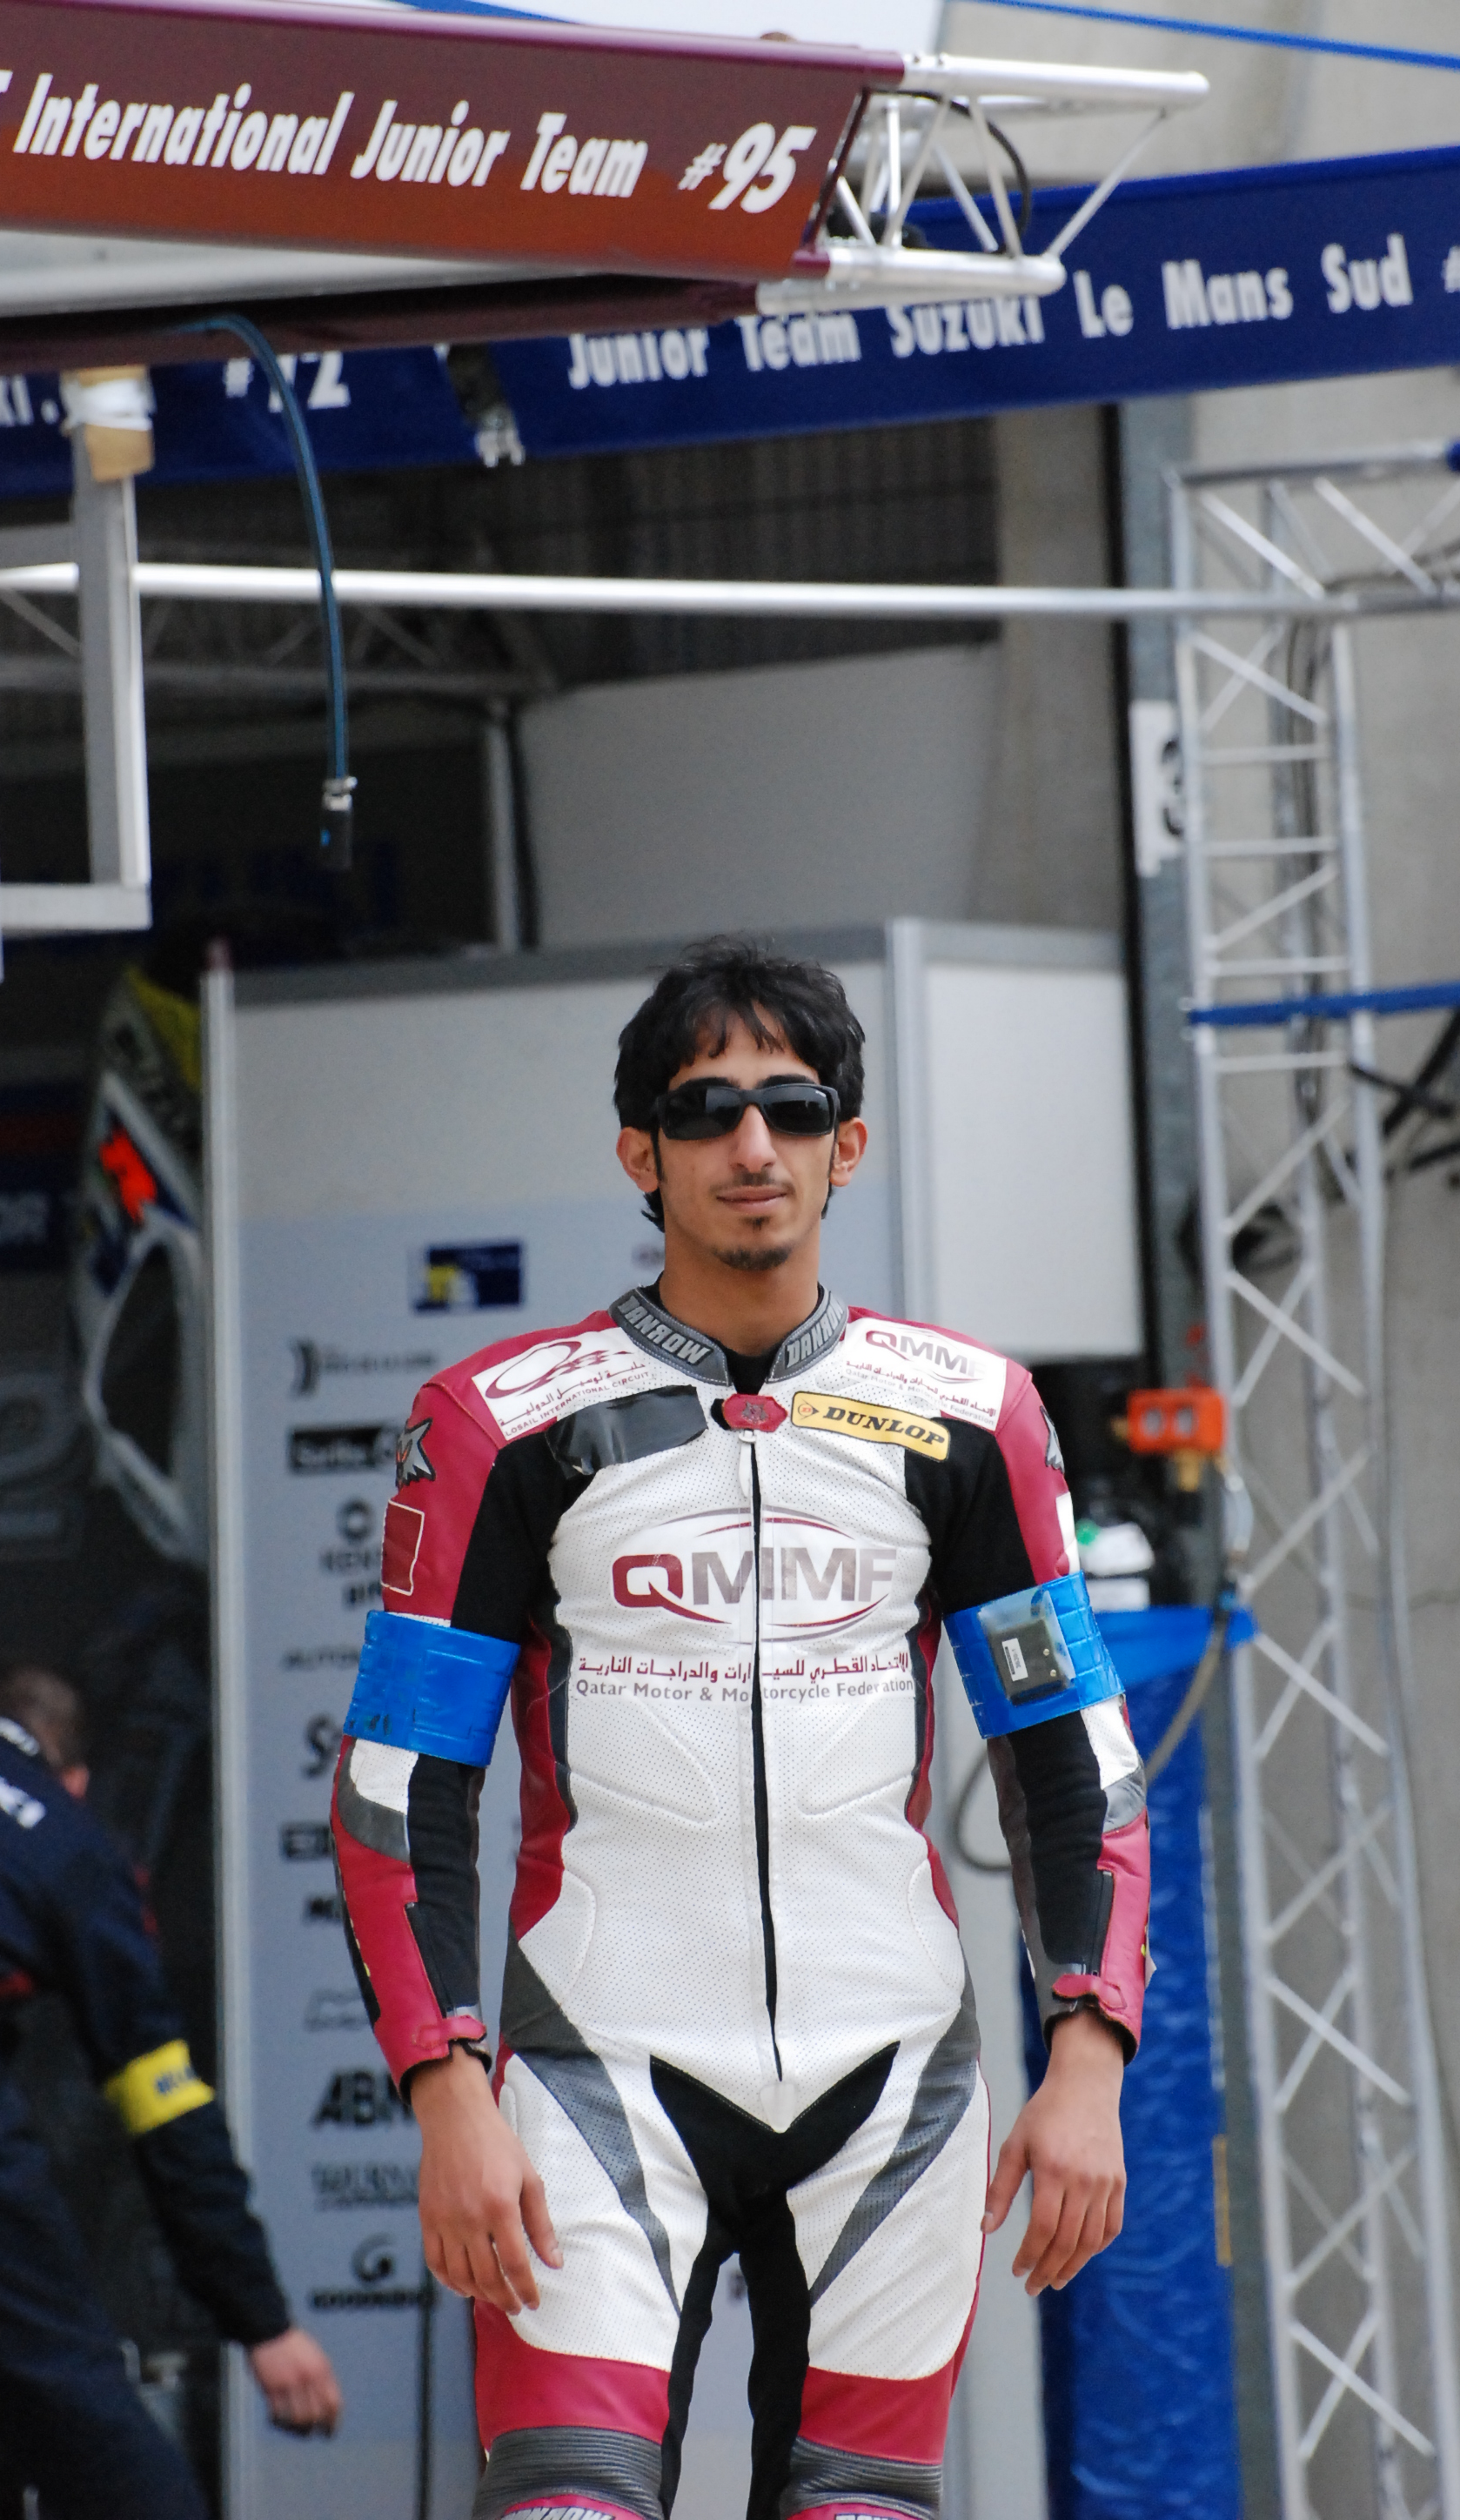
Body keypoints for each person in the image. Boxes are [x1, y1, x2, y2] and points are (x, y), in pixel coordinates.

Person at [332, 938, 1149, 2520]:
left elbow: (1073, 1760)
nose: (750, 1145)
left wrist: (1089, 2057)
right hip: (597, 2069)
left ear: (851, 1143)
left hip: (891, 2072)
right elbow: (397, 1790)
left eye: (793, 1106)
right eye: (704, 1111)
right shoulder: (498, 1421)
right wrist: (443, 2091)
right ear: (639, 1154)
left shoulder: (973, 1415)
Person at [0, 1659, 341, 2518]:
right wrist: (260, 2320)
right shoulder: (69, 1841)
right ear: (76, 1778)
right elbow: (166, 2105)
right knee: (65, 2376)